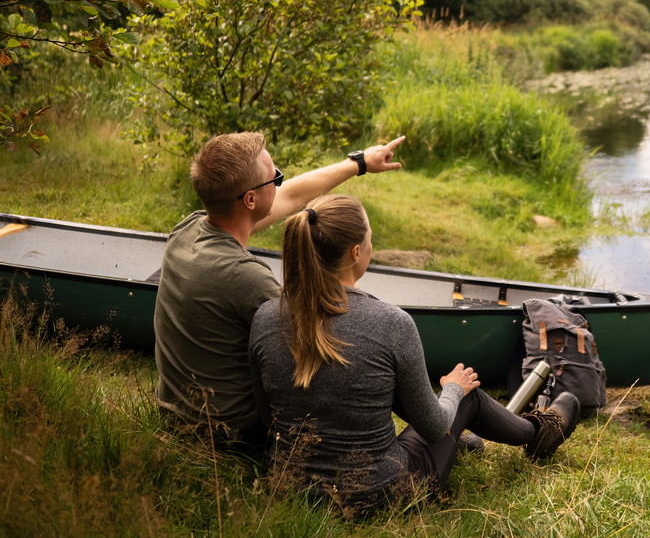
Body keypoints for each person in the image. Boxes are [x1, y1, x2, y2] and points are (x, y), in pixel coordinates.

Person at [249, 194, 581, 513]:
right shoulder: (392, 323)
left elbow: (267, 416)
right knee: (466, 395)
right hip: (383, 493)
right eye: (369, 239)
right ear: (354, 253)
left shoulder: (265, 317)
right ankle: (539, 434)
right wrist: (453, 388)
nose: (371, 247)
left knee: (387, 384)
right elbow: (435, 427)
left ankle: (465, 441)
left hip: (293, 490)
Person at [154, 132, 405, 454]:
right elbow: (318, 346)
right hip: (230, 436)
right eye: (276, 177)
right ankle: (436, 427)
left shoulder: (188, 229)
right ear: (250, 200)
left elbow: (291, 196)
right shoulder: (245, 278)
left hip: (176, 414)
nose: (279, 183)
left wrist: (359, 164)